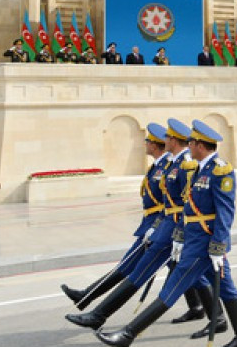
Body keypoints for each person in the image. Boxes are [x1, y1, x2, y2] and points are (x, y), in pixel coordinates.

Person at [96, 120, 237, 347]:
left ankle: (127, 334)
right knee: (227, 289)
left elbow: (225, 212)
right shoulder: (198, 169)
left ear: (200, 145)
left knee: (172, 287)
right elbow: (186, 206)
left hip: (205, 245)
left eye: (191, 142)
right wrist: (179, 235)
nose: (188, 146)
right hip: (193, 239)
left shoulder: (221, 170)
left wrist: (218, 245)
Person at [60, 123, 169, 314]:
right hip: (152, 224)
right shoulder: (157, 167)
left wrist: (158, 225)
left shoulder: (167, 168)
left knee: (128, 265)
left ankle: (87, 299)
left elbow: (171, 201)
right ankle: (199, 307)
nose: (145, 143)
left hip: (158, 225)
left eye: (147, 141)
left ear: (154, 145)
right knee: (183, 270)